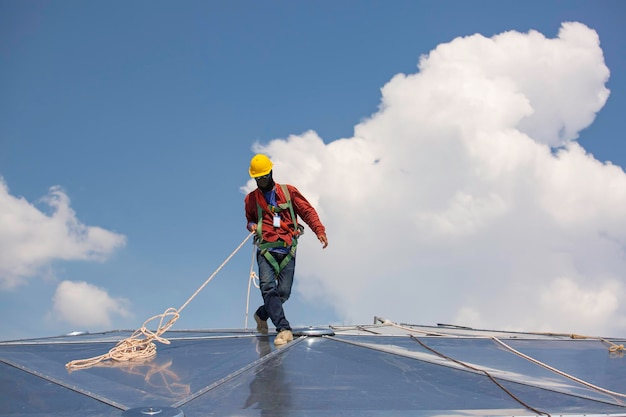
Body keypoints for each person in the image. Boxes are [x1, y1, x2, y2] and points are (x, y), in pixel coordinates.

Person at [245, 154, 328, 346]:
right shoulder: (251, 200)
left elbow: (307, 211)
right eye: (257, 179)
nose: (261, 181)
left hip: (287, 249)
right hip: (266, 250)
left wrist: (319, 230)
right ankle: (283, 329)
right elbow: (249, 219)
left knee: (283, 293)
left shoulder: (288, 192)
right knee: (267, 287)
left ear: (271, 173)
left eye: (264, 177)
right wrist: (252, 226)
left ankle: (262, 314)